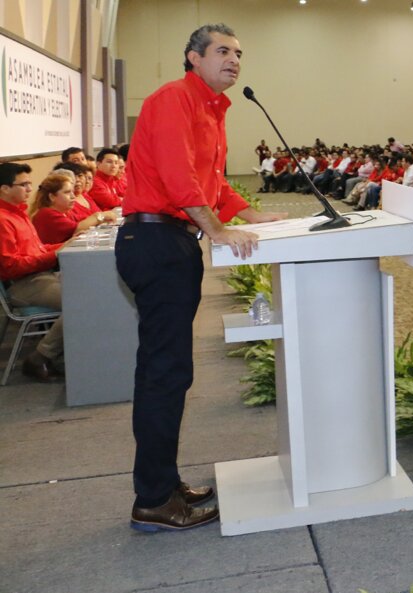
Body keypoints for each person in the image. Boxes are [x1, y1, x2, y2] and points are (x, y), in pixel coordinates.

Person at [117, 24, 284, 533]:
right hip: (156, 240)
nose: (234, 60)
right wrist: (215, 229)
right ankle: (152, 499)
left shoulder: (213, 108)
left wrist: (250, 216)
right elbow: (177, 174)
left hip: (170, 240)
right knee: (164, 375)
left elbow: (211, 183)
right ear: (193, 57)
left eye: (239, 52)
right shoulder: (174, 99)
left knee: (172, 373)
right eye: (222, 51)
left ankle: (164, 484)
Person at [0, 162, 66, 381]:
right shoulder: (3, 220)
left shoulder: (20, 214)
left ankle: (64, 357)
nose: (30, 189)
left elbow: (36, 250)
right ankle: (39, 358)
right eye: (24, 184)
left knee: (91, 287)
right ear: (4, 188)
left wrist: (63, 246)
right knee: (81, 302)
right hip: (23, 284)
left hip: (41, 277)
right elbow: (11, 266)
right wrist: (53, 256)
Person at [30, 173, 112, 244]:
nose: (73, 196)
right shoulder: (47, 213)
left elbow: (83, 221)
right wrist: (100, 216)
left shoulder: (64, 211)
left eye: (72, 192)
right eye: (67, 192)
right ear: (52, 196)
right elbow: (77, 228)